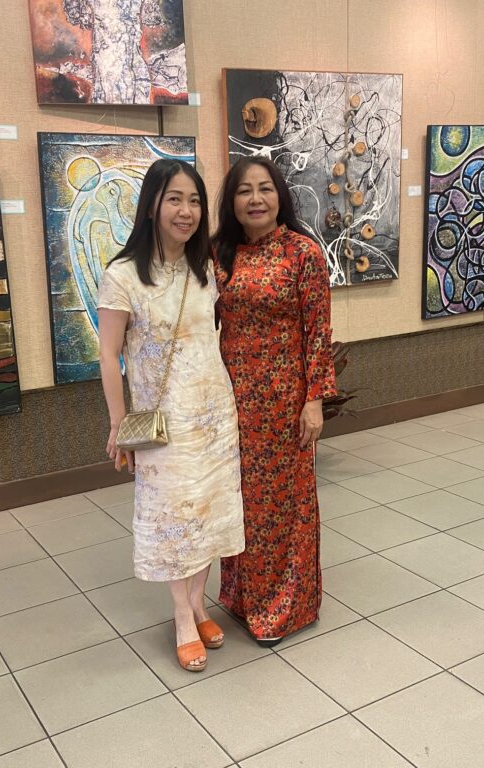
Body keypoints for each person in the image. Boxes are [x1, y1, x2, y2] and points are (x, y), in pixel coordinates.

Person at [97, 159, 245, 672]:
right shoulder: (122, 276)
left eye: (195, 201)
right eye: (176, 199)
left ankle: (200, 605)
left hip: (215, 415)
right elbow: (108, 356)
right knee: (174, 518)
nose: (187, 211)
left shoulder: (206, 268)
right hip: (164, 426)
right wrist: (118, 424)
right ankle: (183, 617)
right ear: (152, 205)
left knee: (206, 513)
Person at [212, 157, 337, 647]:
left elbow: (319, 332)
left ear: (280, 195)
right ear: (232, 202)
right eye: (245, 190)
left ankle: (284, 607)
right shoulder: (220, 254)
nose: (255, 199)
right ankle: (243, 597)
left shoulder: (302, 253)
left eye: (265, 189)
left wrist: (315, 400)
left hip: (285, 404)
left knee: (284, 507)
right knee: (241, 501)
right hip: (231, 402)